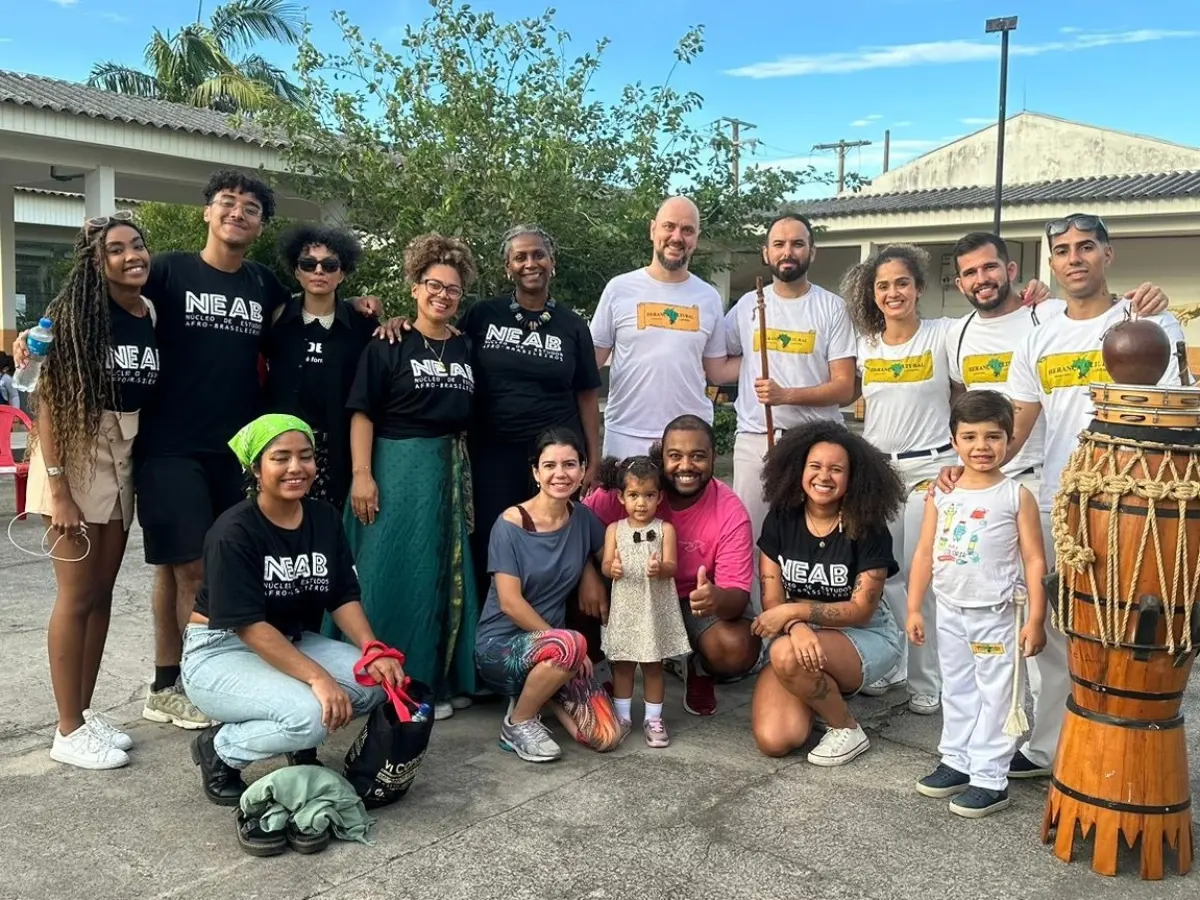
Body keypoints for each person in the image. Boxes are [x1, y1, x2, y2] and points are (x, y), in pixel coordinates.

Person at [937, 212, 1185, 780]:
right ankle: (1048, 747)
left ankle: (1116, 746)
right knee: (1049, 630)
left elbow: (1168, 413)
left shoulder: (1149, 320)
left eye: (1086, 247)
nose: (1075, 258)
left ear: (1108, 254)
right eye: (1064, 250)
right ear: (1051, 262)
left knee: (1121, 632)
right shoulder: (1040, 336)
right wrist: (968, 472)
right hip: (1057, 500)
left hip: (1129, 504)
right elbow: (1019, 420)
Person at [181, 415, 402, 806]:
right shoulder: (234, 532)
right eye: (280, 458)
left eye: (305, 456)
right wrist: (318, 678)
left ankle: (292, 737)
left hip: (286, 641)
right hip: (220, 650)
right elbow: (249, 627)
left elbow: (342, 595)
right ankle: (220, 748)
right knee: (309, 717)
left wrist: (373, 648)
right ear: (256, 467)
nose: (296, 468)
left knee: (375, 683)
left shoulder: (324, 518)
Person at [23, 214, 158, 769]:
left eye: (138, 244)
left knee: (102, 593)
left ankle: (81, 710)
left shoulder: (149, 312)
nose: (133, 255)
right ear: (96, 263)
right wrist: (59, 491)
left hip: (124, 450)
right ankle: (66, 728)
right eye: (117, 249)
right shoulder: (74, 315)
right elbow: (46, 403)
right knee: (76, 595)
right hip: (75, 454)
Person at [342, 233, 479, 720]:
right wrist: (362, 474)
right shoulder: (389, 342)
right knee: (393, 572)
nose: (443, 295)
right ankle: (385, 678)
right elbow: (363, 412)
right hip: (396, 468)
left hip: (448, 470)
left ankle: (438, 676)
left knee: (443, 575)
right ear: (415, 287)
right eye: (433, 285)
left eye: (453, 289)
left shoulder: (465, 347)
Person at [907, 390, 1047, 817]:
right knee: (958, 686)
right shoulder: (942, 493)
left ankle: (990, 776)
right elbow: (924, 550)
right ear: (954, 441)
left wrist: (1037, 618)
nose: (981, 447)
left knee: (998, 694)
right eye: (969, 437)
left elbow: (1035, 558)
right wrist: (914, 606)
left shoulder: (1015, 495)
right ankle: (957, 759)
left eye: (993, 436)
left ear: (1009, 440)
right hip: (950, 610)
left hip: (997, 614)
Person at [948, 231, 1170, 492]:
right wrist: (966, 469)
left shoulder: (1048, 314)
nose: (981, 278)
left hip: (1118, 485)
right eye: (970, 272)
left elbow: (1169, 410)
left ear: (1010, 270)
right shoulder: (960, 333)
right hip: (1040, 484)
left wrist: (1146, 301)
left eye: (990, 267)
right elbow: (1002, 415)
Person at [712, 213, 857, 613]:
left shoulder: (831, 308)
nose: (787, 252)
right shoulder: (747, 307)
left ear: (812, 251)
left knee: (812, 539)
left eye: (796, 244)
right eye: (778, 244)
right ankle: (760, 625)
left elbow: (844, 386)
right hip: (757, 439)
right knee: (753, 536)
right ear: (766, 252)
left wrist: (785, 393)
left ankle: (809, 622)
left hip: (814, 445)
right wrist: (752, 380)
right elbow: (719, 363)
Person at [457, 225, 602, 602]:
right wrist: (399, 324)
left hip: (554, 455)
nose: (530, 263)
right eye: (520, 257)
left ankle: (552, 633)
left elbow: (587, 394)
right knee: (493, 540)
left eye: (538, 255)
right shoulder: (481, 315)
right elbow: (441, 343)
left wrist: (594, 457)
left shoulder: (572, 326)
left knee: (554, 538)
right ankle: (492, 637)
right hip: (493, 451)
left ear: (552, 263)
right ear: (508, 267)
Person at [843, 244, 959, 714]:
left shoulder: (944, 335)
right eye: (883, 286)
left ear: (919, 288)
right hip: (879, 470)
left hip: (931, 470)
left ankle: (926, 678)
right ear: (873, 294)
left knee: (919, 576)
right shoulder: (865, 344)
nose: (893, 293)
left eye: (902, 283)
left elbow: (964, 396)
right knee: (884, 573)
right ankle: (893, 663)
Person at [748, 422, 905, 765]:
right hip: (798, 634)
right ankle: (819, 690)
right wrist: (796, 626)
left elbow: (862, 608)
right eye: (815, 466)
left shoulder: (867, 525)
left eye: (837, 469)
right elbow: (772, 597)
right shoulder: (781, 518)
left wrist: (794, 615)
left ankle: (846, 728)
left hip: (864, 633)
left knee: (787, 655)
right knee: (777, 739)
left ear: (853, 478)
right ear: (798, 470)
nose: (825, 476)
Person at [585, 415, 761, 716]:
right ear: (661, 455)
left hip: (691, 601)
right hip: (631, 590)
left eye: (698, 456)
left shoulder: (730, 511)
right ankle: (599, 666)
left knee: (736, 649)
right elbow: (574, 521)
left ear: (714, 458)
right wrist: (587, 574)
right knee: (576, 593)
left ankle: (698, 665)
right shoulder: (637, 486)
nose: (686, 466)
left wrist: (716, 597)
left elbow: (737, 599)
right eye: (675, 456)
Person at [474, 429, 625, 762]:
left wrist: (592, 566)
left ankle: (541, 692)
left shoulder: (583, 518)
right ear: (535, 472)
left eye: (570, 464)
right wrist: (564, 642)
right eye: (550, 465)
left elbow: (613, 558)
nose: (561, 474)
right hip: (502, 648)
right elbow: (510, 604)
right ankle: (518, 722)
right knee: (570, 645)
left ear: (583, 469)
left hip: (558, 653)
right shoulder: (509, 525)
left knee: (606, 736)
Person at [591, 196, 729, 459]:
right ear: (653, 229)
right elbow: (590, 362)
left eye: (687, 230)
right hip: (626, 435)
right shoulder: (619, 289)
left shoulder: (708, 297)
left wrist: (764, 352)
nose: (677, 237)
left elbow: (718, 371)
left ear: (696, 239)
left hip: (688, 439)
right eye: (669, 226)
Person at [265, 224, 377, 509]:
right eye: (308, 263)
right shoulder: (275, 319)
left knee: (331, 530)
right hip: (279, 446)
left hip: (339, 451)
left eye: (329, 265)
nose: (318, 271)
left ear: (343, 274)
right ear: (296, 271)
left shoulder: (363, 326)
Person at [597, 455, 690, 747]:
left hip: (653, 608)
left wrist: (659, 568)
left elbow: (673, 565)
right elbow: (605, 564)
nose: (641, 503)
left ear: (659, 497)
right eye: (634, 495)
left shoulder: (666, 530)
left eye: (648, 495)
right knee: (623, 664)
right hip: (626, 607)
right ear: (621, 497)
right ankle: (623, 716)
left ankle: (653, 718)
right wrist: (611, 568)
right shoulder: (615, 530)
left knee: (652, 664)